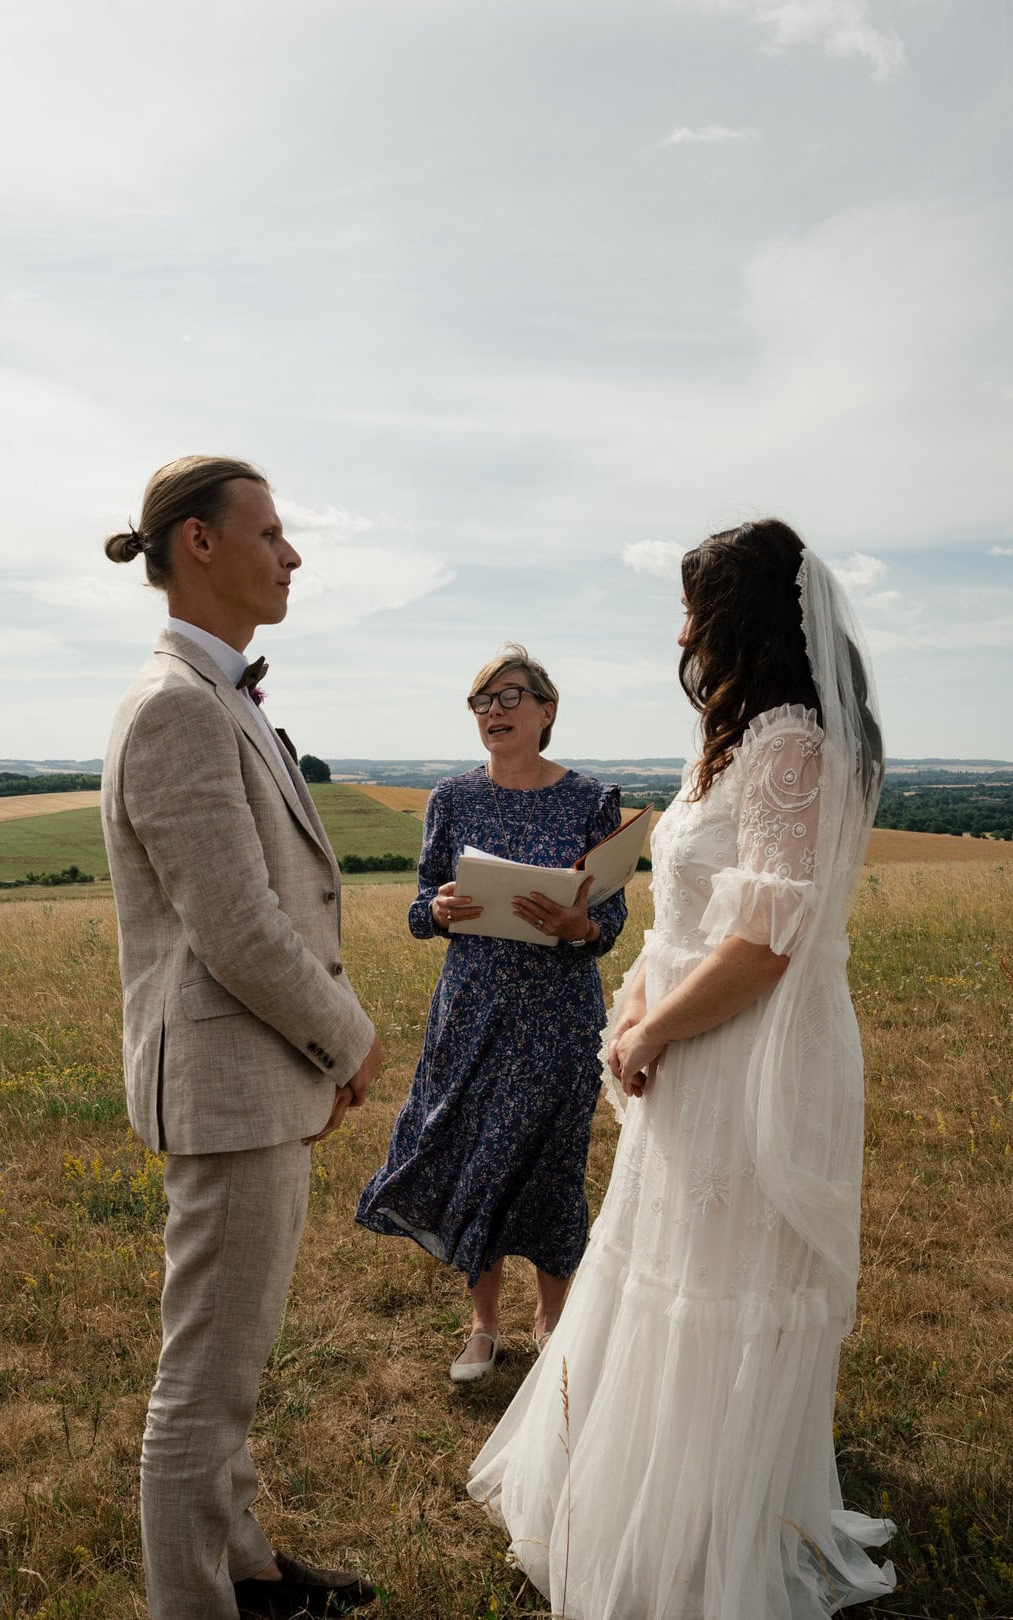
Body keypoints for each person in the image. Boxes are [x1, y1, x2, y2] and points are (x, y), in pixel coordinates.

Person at [468, 523, 897, 1619]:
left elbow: (763, 946)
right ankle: (645, 1492)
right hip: (697, 1036)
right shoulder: (746, 736)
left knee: (723, 1283)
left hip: (749, 1051)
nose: (682, 633)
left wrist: (654, 1033)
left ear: (743, 620)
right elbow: (698, 922)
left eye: (695, 611)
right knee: (671, 1267)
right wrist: (640, 1004)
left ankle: (709, 1526)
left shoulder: (793, 744)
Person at [101, 455, 382, 1620]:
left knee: (233, 1364)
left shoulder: (214, 695)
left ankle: (249, 1571)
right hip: (228, 1086)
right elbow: (240, 932)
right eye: (271, 531)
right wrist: (350, 1040)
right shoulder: (175, 706)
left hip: (255, 1079)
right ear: (200, 544)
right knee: (201, 1390)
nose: (293, 553)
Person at [356, 644, 627, 1383]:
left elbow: (614, 915)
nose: (494, 713)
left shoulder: (592, 799)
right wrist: (436, 909)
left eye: (509, 698)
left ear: (547, 710)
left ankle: (552, 1319)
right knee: (479, 1157)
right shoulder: (452, 799)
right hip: (470, 1011)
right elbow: (420, 906)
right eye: (482, 702)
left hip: (558, 1016)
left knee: (548, 1165)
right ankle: (482, 1325)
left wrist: (583, 928)